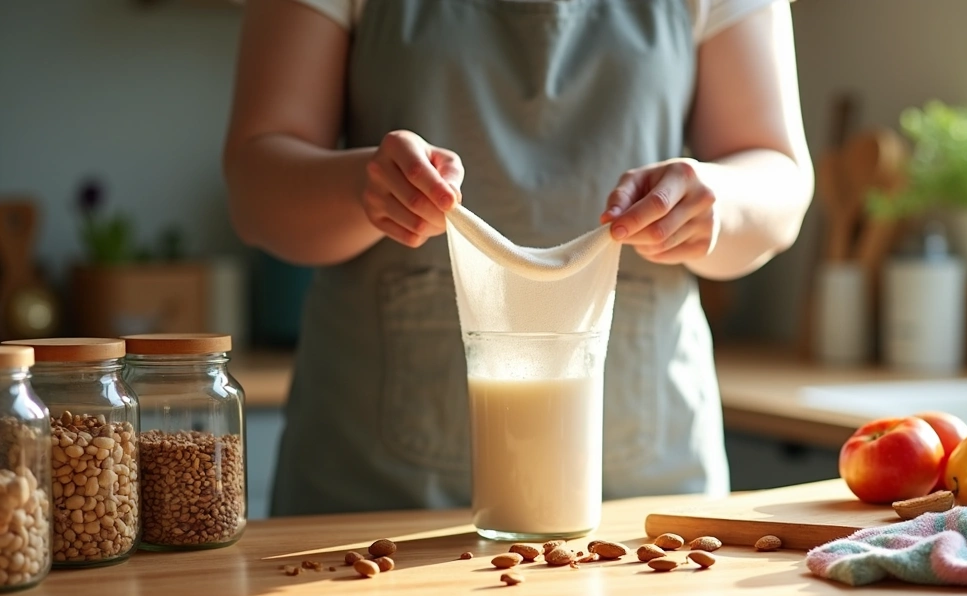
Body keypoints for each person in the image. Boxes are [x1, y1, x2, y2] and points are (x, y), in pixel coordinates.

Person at [222, 0, 814, 516]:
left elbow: (779, 178)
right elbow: (255, 186)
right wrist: (364, 188)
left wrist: (720, 204)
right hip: (369, 496)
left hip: (643, 493)